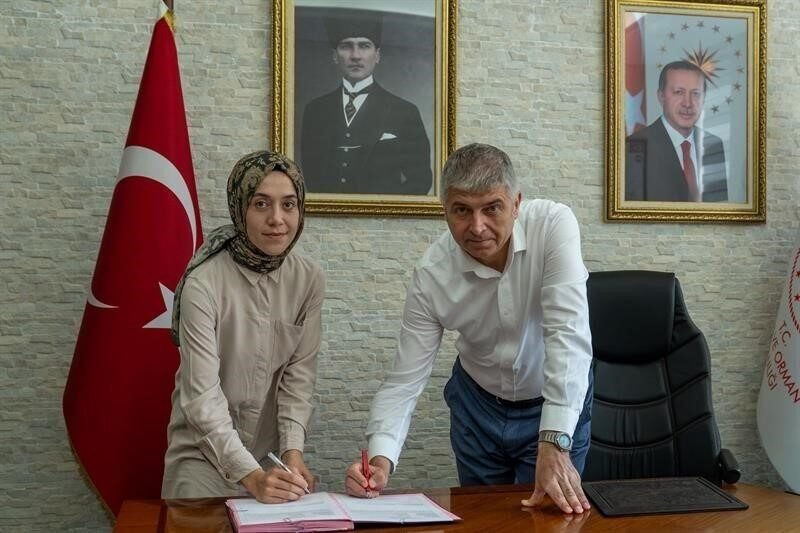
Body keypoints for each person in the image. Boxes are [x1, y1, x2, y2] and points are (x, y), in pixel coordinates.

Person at [344, 143, 594, 514]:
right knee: (485, 519)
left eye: (492, 208)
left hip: (552, 400)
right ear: (445, 210)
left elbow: (567, 335)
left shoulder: (553, 226)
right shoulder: (432, 274)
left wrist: (554, 441)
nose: (477, 227)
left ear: (516, 203)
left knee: (550, 519)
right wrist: (381, 459)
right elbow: (404, 380)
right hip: (477, 409)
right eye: (462, 210)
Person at [162, 151, 324, 503]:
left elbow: (298, 380)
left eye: (289, 204)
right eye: (261, 204)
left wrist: (293, 452)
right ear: (240, 208)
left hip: (271, 458)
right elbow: (202, 399)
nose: (277, 219)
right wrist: (250, 477)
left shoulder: (308, 279)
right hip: (203, 459)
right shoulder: (203, 284)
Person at [300, 10, 432, 195]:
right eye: (346, 46)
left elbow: (420, 181)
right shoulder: (315, 111)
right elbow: (311, 176)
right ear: (335, 55)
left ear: (377, 55)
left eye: (364, 46)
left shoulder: (405, 112)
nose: (355, 55)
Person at [626, 60, 728, 202]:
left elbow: (718, 207)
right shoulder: (634, 147)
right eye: (679, 92)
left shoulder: (713, 144)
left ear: (704, 98)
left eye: (696, 94)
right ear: (661, 96)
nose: (688, 103)